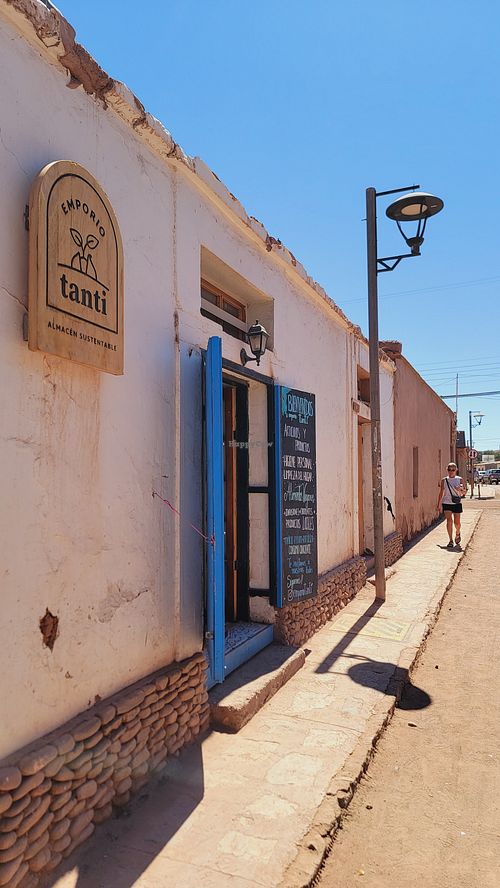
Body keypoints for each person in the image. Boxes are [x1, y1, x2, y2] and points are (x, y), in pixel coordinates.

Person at [436, 462, 467, 548]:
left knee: (457, 523)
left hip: (457, 503)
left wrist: (460, 490)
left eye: (453, 469)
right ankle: (450, 540)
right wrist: (438, 504)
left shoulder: (460, 479)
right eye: (449, 469)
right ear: (447, 470)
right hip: (446, 502)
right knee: (449, 521)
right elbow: (441, 492)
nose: (451, 471)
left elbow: (464, 493)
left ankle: (457, 533)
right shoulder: (444, 480)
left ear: (456, 470)